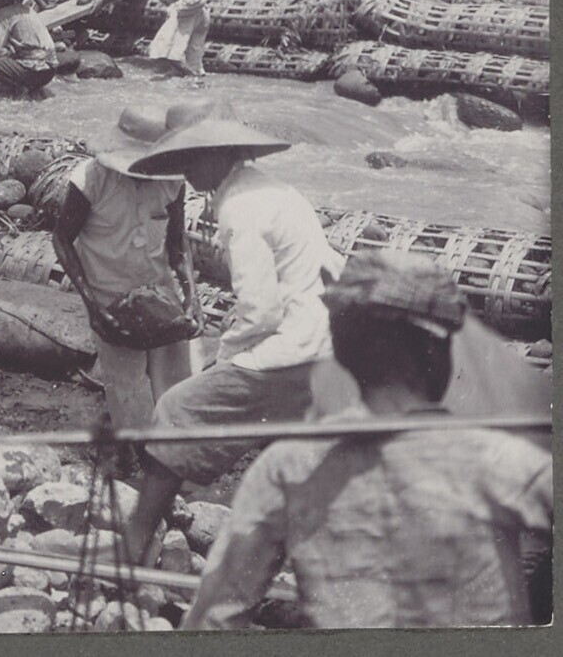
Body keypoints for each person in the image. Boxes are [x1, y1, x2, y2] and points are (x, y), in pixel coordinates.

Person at [186, 252, 554, 630]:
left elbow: (212, 621)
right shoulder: (503, 462)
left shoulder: (287, 468)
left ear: (344, 349)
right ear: (437, 352)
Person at [118, 108, 343, 566]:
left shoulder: (239, 207)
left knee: (177, 410)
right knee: (291, 452)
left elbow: (260, 310)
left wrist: (225, 356)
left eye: (193, 159)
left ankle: (134, 545)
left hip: (292, 346)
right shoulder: (276, 190)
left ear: (221, 155)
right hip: (328, 340)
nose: (187, 172)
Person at [54, 105, 200, 437]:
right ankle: (136, 454)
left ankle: (172, 452)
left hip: (160, 291)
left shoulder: (172, 180)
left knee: (177, 383)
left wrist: (192, 297)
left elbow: (177, 245)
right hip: (109, 297)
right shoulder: (90, 180)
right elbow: (61, 239)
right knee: (127, 386)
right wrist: (92, 307)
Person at [110, 0, 211, 78]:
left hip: (184, 7)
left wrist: (102, 1)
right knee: (194, 55)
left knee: (167, 52)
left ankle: (192, 76)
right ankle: (196, 78)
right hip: (198, 6)